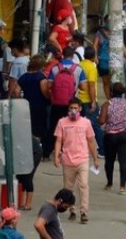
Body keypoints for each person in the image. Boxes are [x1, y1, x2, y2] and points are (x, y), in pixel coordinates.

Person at [53, 98, 100, 224]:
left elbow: (91, 141)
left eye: (75, 108)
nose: (73, 111)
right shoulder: (62, 122)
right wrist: (56, 156)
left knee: (83, 185)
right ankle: (71, 210)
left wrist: (95, 158)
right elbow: (58, 141)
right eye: (71, 108)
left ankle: (84, 211)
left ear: (80, 109)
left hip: (83, 159)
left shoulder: (86, 123)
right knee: (68, 188)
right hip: (67, 160)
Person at [15, 55, 50, 210]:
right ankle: (37, 147)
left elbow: (16, 91)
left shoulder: (23, 77)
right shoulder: (41, 77)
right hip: (39, 108)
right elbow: (44, 91)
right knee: (38, 131)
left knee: (27, 129)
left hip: (25, 107)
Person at [47, 47, 87, 157]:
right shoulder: (78, 69)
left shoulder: (55, 68)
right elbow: (83, 87)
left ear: (63, 55)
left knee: (54, 127)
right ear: (73, 56)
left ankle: (47, 152)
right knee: (71, 127)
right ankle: (68, 150)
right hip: (71, 104)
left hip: (56, 103)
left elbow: (49, 85)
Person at [100, 82, 126, 194]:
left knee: (109, 160)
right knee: (124, 161)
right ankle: (122, 187)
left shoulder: (107, 104)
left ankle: (110, 183)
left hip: (110, 136)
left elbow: (101, 121)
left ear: (111, 92)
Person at [76, 46, 104, 158]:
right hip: (88, 100)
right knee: (95, 125)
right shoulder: (91, 68)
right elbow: (91, 85)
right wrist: (93, 101)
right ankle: (102, 149)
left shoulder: (79, 65)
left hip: (78, 99)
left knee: (78, 125)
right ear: (93, 56)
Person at [93, 19, 112, 101]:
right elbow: (95, 46)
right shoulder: (99, 33)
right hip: (103, 61)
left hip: (114, 61)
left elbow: (122, 46)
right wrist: (95, 57)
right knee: (106, 81)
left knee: (112, 81)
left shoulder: (116, 31)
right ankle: (109, 99)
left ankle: (113, 98)